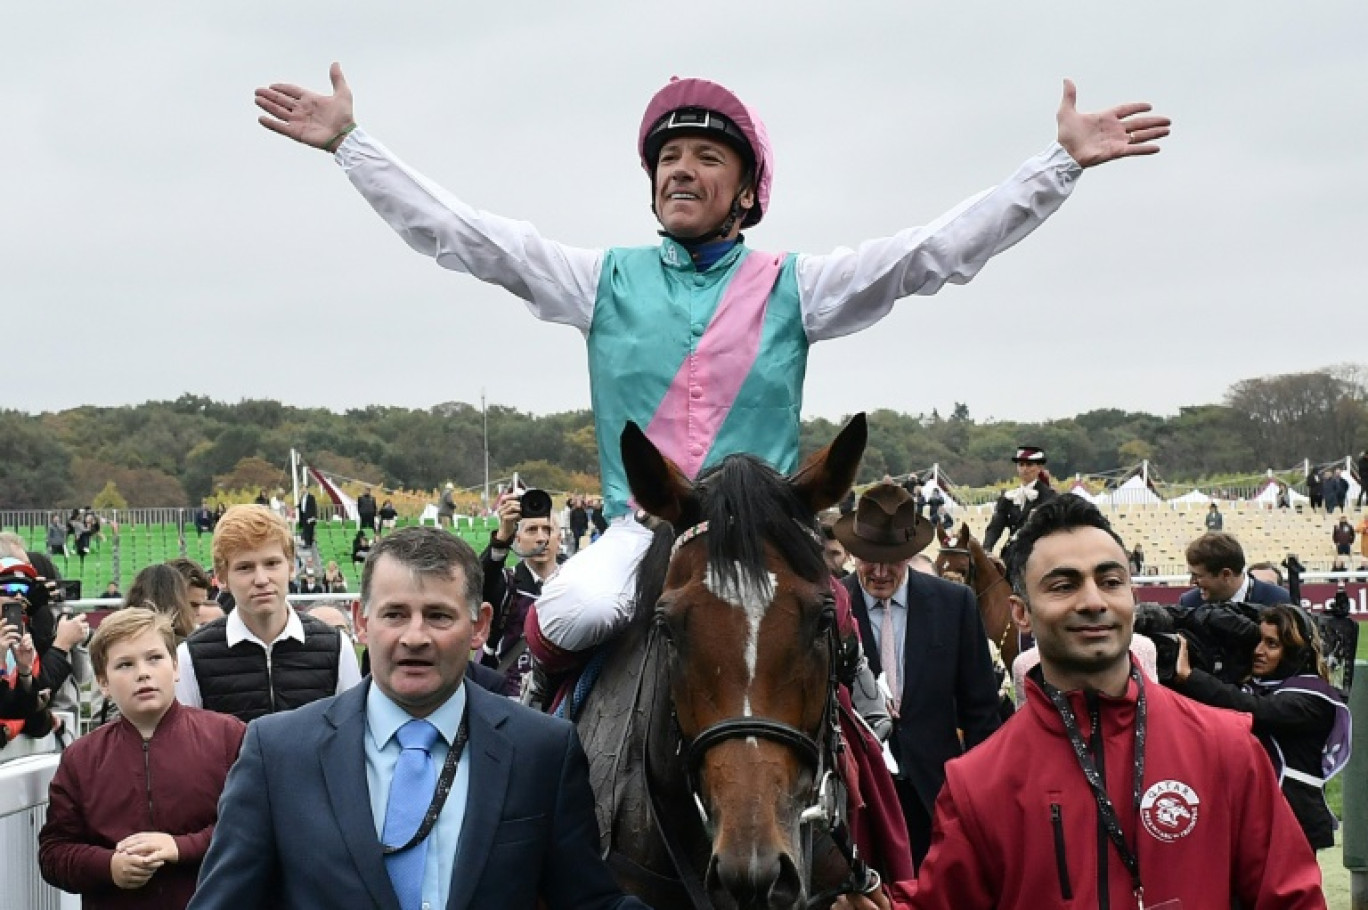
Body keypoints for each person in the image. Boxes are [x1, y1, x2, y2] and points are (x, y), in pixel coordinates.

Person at [256, 64, 1170, 676]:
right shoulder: (598, 279)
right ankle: (546, 749)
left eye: (705, 158)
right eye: (668, 159)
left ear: (746, 190)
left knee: (833, 634)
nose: (681, 172)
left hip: (761, 535)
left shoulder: (796, 287)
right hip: (638, 526)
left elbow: (932, 254)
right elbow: (462, 236)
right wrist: (352, 147)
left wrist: (1057, 167)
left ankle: (874, 798)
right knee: (565, 618)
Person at [888, 494, 1325, 909]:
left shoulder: (1225, 747)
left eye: (1110, 581)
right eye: (1064, 585)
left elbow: (1291, 898)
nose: (1094, 601)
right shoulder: (978, 782)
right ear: (1021, 612)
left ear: (1132, 597)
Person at [188, 527, 647, 910]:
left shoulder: (542, 751)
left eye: (438, 616)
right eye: (395, 614)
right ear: (362, 621)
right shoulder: (278, 753)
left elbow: (588, 901)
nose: (415, 637)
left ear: (480, 626)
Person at [835, 483, 1001, 869]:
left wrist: (978, 796)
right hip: (860, 798)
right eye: (867, 559)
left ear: (910, 554)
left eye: (891, 560)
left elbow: (981, 711)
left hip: (938, 796)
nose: (878, 572)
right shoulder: (831, 607)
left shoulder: (954, 604)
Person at [38, 609, 246, 909]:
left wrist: (180, 846)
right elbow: (54, 854)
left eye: (154, 658)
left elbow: (253, 829)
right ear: (103, 683)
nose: (143, 673)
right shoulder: (81, 758)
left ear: (175, 666)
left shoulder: (229, 736)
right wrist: (109, 866)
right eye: (125, 664)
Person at [1170, 603, 1350, 852]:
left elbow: (1255, 709)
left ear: (1294, 652)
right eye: (1257, 641)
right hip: (1257, 819)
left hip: (1294, 823)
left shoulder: (1314, 697)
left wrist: (1191, 677)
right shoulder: (1259, 685)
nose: (1258, 651)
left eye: (1271, 644)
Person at [175, 505, 362, 723]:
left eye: (272, 563)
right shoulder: (190, 656)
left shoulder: (337, 647)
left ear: (291, 566)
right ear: (222, 577)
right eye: (245, 567)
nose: (261, 579)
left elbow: (352, 736)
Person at [482, 493, 565, 698]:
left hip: (562, 696)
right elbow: (477, 584)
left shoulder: (574, 583)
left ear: (559, 538)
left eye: (547, 530)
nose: (540, 538)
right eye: (531, 530)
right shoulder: (507, 582)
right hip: (510, 695)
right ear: (518, 540)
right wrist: (502, 536)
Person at [1180, 531, 1292, 608]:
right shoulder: (1189, 603)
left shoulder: (1278, 601)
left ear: (1226, 575)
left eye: (1198, 576)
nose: (1192, 582)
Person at [984, 446, 1058, 557]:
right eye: (1021, 465)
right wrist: (986, 549)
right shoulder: (1008, 497)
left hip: (1041, 554)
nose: (1024, 469)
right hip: (1012, 553)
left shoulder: (1050, 497)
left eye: (1029, 465)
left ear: (1039, 468)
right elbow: (996, 526)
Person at [298, 483, 319, 549]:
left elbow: (314, 507)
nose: (302, 490)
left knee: (310, 530)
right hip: (303, 515)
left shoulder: (311, 497)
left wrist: (313, 517)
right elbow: (301, 506)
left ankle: (309, 544)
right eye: (301, 488)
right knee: (305, 530)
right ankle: (307, 543)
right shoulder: (302, 497)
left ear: (306, 489)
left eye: (303, 488)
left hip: (310, 516)